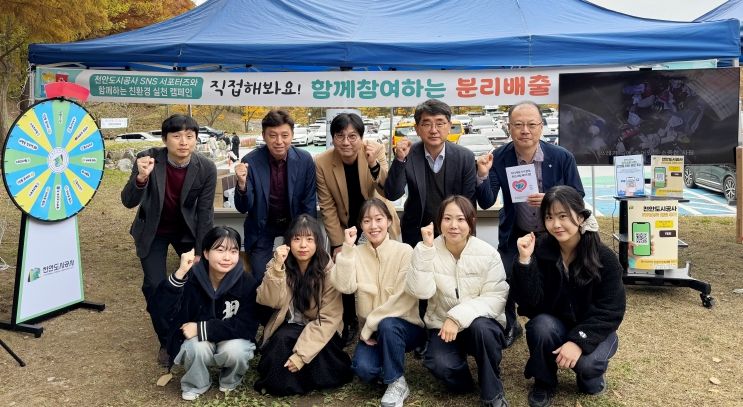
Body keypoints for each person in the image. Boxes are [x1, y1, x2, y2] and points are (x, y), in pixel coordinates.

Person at [476, 101, 584, 348]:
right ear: (509, 127)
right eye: (518, 125)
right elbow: (486, 201)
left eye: (532, 124)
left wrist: (552, 199)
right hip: (516, 233)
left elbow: (578, 195)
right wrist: (482, 174)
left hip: (554, 234)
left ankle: (558, 323)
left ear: (541, 127)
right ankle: (510, 324)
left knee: (558, 278)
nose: (525, 130)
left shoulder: (561, 157)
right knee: (502, 277)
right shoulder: (499, 157)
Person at [512, 185, 625, 407]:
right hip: (556, 325)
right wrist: (525, 262)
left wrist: (578, 341)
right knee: (540, 326)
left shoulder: (604, 258)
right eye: (549, 217)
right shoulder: (540, 250)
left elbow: (611, 310)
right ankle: (544, 381)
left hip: (594, 328)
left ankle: (590, 376)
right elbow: (528, 304)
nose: (556, 224)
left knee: (587, 367)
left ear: (581, 217)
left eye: (563, 216)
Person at [121, 114, 217, 366]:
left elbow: (205, 213)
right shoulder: (149, 159)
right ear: (165, 139)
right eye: (176, 136)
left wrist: (201, 250)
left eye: (189, 136)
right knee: (154, 285)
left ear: (196, 139)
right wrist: (141, 178)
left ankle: (195, 330)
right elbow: (128, 201)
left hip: (186, 231)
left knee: (198, 281)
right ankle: (167, 340)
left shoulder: (206, 168)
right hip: (153, 231)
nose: (183, 142)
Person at [406, 196, 510, 407]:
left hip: (480, 325)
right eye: (447, 218)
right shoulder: (426, 250)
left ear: (471, 222)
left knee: (483, 330)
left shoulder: (488, 254)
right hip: (442, 325)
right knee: (440, 363)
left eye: (461, 219)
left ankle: (492, 391)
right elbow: (420, 292)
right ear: (439, 222)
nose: (453, 225)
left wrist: (457, 318)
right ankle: (465, 382)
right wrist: (425, 251)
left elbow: (496, 297)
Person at [315, 112, 401, 345]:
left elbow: (387, 189)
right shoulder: (322, 162)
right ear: (333, 138)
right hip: (346, 223)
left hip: (376, 221)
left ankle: (386, 318)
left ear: (361, 137)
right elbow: (327, 206)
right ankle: (350, 320)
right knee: (343, 268)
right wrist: (337, 244)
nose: (346, 142)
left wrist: (373, 164)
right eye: (340, 136)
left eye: (353, 136)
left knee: (382, 269)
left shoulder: (375, 150)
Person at [330, 198, 425, 407]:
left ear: (389, 221)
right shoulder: (356, 253)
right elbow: (344, 286)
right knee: (364, 369)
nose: (373, 226)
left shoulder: (405, 251)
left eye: (379, 219)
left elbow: (403, 300)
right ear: (361, 225)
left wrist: (369, 325)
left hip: (404, 327)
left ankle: (396, 382)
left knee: (388, 325)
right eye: (367, 221)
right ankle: (388, 366)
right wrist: (347, 248)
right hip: (373, 334)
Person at [155, 226, 258, 401]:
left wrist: (201, 328)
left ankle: (230, 379)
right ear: (206, 253)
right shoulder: (192, 277)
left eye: (233, 251)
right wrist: (180, 273)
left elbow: (248, 326)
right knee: (195, 347)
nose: (227, 257)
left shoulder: (246, 282)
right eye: (220, 250)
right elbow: (162, 310)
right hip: (199, 341)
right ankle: (197, 383)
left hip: (230, 338)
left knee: (237, 351)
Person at [253, 214, 353, 395]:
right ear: (288, 242)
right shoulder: (279, 263)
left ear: (318, 242)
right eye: (297, 239)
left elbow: (329, 319)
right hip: (291, 324)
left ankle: (294, 380)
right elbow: (268, 300)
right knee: (281, 342)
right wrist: (277, 269)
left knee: (321, 353)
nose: (303, 245)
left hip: (322, 326)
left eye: (309, 239)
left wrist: (301, 356)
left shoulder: (328, 270)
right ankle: (288, 381)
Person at [234, 109, 317, 285]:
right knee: (262, 277)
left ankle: (292, 303)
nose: (279, 141)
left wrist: (309, 237)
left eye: (284, 135)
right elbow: (243, 207)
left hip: (294, 223)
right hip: (262, 226)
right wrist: (241, 184)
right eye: (273, 135)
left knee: (298, 274)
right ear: (264, 136)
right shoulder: (251, 161)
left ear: (292, 135)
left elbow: (309, 202)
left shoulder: (305, 160)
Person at [384, 99, 477, 247]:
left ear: (449, 126)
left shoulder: (465, 157)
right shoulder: (408, 154)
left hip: (454, 232)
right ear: (417, 129)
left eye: (440, 123)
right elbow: (392, 194)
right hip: (417, 234)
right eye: (427, 124)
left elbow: (468, 203)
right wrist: (400, 159)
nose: (434, 130)